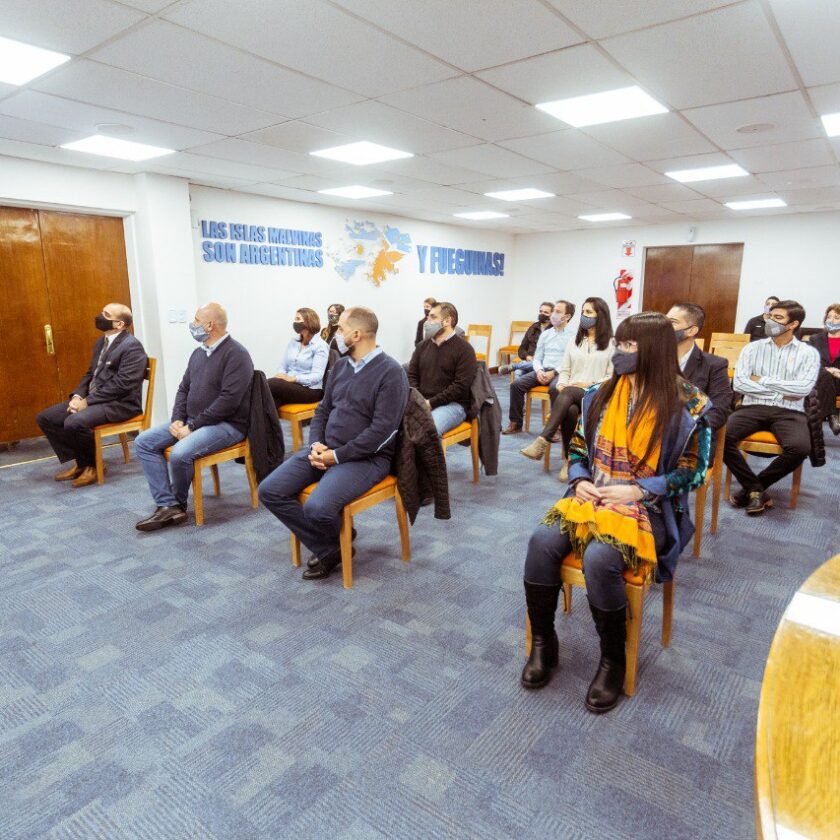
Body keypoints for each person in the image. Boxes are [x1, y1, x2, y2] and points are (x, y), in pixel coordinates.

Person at [521, 312, 711, 713]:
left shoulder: (689, 403)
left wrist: (640, 490)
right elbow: (577, 448)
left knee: (600, 558)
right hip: (592, 498)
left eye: (629, 345)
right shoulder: (599, 394)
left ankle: (612, 661)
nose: (619, 352)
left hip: (647, 508)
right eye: (619, 344)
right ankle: (543, 642)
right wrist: (579, 478)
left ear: (654, 350)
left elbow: (694, 472)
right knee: (540, 542)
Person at [258, 306, 409, 581]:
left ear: (357, 334)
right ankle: (332, 546)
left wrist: (336, 456)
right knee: (269, 490)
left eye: (340, 329)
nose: (335, 333)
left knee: (317, 508)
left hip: (366, 458)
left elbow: (382, 433)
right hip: (326, 450)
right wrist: (316, 444)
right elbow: (322, 410)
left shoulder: (391, 372)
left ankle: (331, 539)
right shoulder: (340, 366)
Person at [134, 302, 253, 531]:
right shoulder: (198, 353)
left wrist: (192, 426)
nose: (193, 324)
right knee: (143, 442)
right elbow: (184, 388)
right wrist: (178, 419)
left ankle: (177, 504)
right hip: (192, 420)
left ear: (209, 325)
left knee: (180, 453)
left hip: (227, 425)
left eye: (197, 320)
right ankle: (167, 504)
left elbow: (228, 401)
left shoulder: (237, 354)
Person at [724, 300, 819, 515]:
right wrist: (781, 390)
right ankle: (756, 490)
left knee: (800, 448)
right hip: (752, 407)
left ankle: (751, 489)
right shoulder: (752, 348)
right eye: (770, 316)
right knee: (719, 437)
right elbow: (739, 384)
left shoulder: (808, 353)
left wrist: (761, 380)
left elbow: (803, 388)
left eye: (778, 318)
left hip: (790, 411)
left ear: (793, 324)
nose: (770, 321)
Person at [36, 303, 147, 488]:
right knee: (46, 418)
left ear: (119, 324)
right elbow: (90, 374)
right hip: (97, 399)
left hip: (121, 404)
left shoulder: (132, 347)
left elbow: (122, 385)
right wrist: (78, 396)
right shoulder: (102, 342)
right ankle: (82, 462)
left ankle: (94, 467)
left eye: (106, 314)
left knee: (74, 422)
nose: (100, 316)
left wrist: (88, 401)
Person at [520, 297, 614, 481]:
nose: (584, 316)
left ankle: (543, 439)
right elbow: (565, 370)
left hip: (596, 394)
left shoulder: (611, 343)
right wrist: (562, 383)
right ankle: (570, 460)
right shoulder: (574, 341)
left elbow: (611, 377)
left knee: (569, 392)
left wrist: (587, 384)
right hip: (572, 394)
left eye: (589, 312)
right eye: (583, 312)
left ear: (600, 316)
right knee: (570, 411)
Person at [503, 300, 575, 435]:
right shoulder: (546, 334)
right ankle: (515, 423)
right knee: (516, 385)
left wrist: (554, 372)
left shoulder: (574, 335)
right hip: (543, 370)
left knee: (555, 389)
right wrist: (539, 370)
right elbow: (537, 358)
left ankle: (553, 428)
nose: (553, 314)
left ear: (567, 316)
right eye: (554, 311)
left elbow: (572, 360)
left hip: (561, 372)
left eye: (558, 312)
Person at [407, 301, 477, 436]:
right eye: (428, 317)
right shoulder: (422, 346)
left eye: (433, 317)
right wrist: (420, 400)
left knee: (428, 430)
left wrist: (431, 403)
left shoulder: (465, 350)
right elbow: (412, 375)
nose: (427, 322)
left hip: (452, 405)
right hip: (422, 401)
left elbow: (460, 387)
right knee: (392, 423)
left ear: (447, 321)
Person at [666, 303, 733, 436]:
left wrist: (687, 431)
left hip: (690, 436)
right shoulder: (653, 359)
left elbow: (719, 410)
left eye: (672, 323)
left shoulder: (714, 365)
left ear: (691, 330)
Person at [268, 307, 329, 409]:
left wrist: (293, 379)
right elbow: (283, 366)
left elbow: (317, 376)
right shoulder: (293, 342)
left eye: (298, 319)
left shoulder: (320, 346)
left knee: (270, 384)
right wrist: (281, 376)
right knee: (271, 401)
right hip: (290, 386)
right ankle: (261, 420)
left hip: (311, 390)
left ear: (309, 321)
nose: (295, 322)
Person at [498, 301, 553, 378]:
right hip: (529, 361)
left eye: (546, 312)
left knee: (534, 363)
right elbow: (522, 348)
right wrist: (527, 356)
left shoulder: (554, 330)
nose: (542, 314)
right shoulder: (533, 328)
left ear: (552, 315)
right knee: (518, 372)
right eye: (541, 311)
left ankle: (513, 366)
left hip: (544, 363)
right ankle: (516, 371)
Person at [808, 303, 840, 435]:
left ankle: (814, 426)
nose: (831, 320)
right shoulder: (815, 339)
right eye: (829, 317)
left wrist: (837, 372)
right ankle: (832, 415)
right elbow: (810, 363)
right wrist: (829, 371)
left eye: (837, 317)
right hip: (820, 378)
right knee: (824, 375)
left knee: (825, 377)